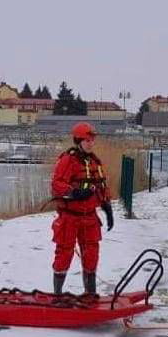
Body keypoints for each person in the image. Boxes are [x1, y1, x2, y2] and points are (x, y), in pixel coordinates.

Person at [50, 122, 114, 296]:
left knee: (92, 254)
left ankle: (90, 294)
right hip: (70, 217)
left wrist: (107, 207)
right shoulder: (68, 160)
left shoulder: (95, 162)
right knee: (64, 253)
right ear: (78, 140)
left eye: (92, 140)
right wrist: (74, 192)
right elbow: (56, 184)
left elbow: (101, 186)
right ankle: (57, 294)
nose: (91, 143)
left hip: (90, 218)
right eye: (88, 140)